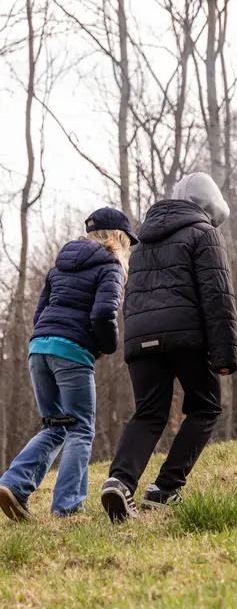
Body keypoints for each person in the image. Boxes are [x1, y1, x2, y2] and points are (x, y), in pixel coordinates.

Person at [101, 173, 237, 521]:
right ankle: (166, 488)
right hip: (185, 337)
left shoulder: (143, 240)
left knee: (148, 413)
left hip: (141, 339)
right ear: (209, 205)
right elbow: (216, 296)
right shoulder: (204, 233)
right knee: (206, 407)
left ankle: (119, 481)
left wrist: (134, 345)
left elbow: (131, 296)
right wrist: (225, 354)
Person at [0, 209, 134, 521]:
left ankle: (14, 484)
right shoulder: (110, 266)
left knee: (55, 426)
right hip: (70, 352)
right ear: (119, 237)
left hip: (39, 347)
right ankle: (68, 507)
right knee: (81, 428)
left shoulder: (59, 266)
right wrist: (106, 347)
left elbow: (38, 314)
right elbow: (103, 314)